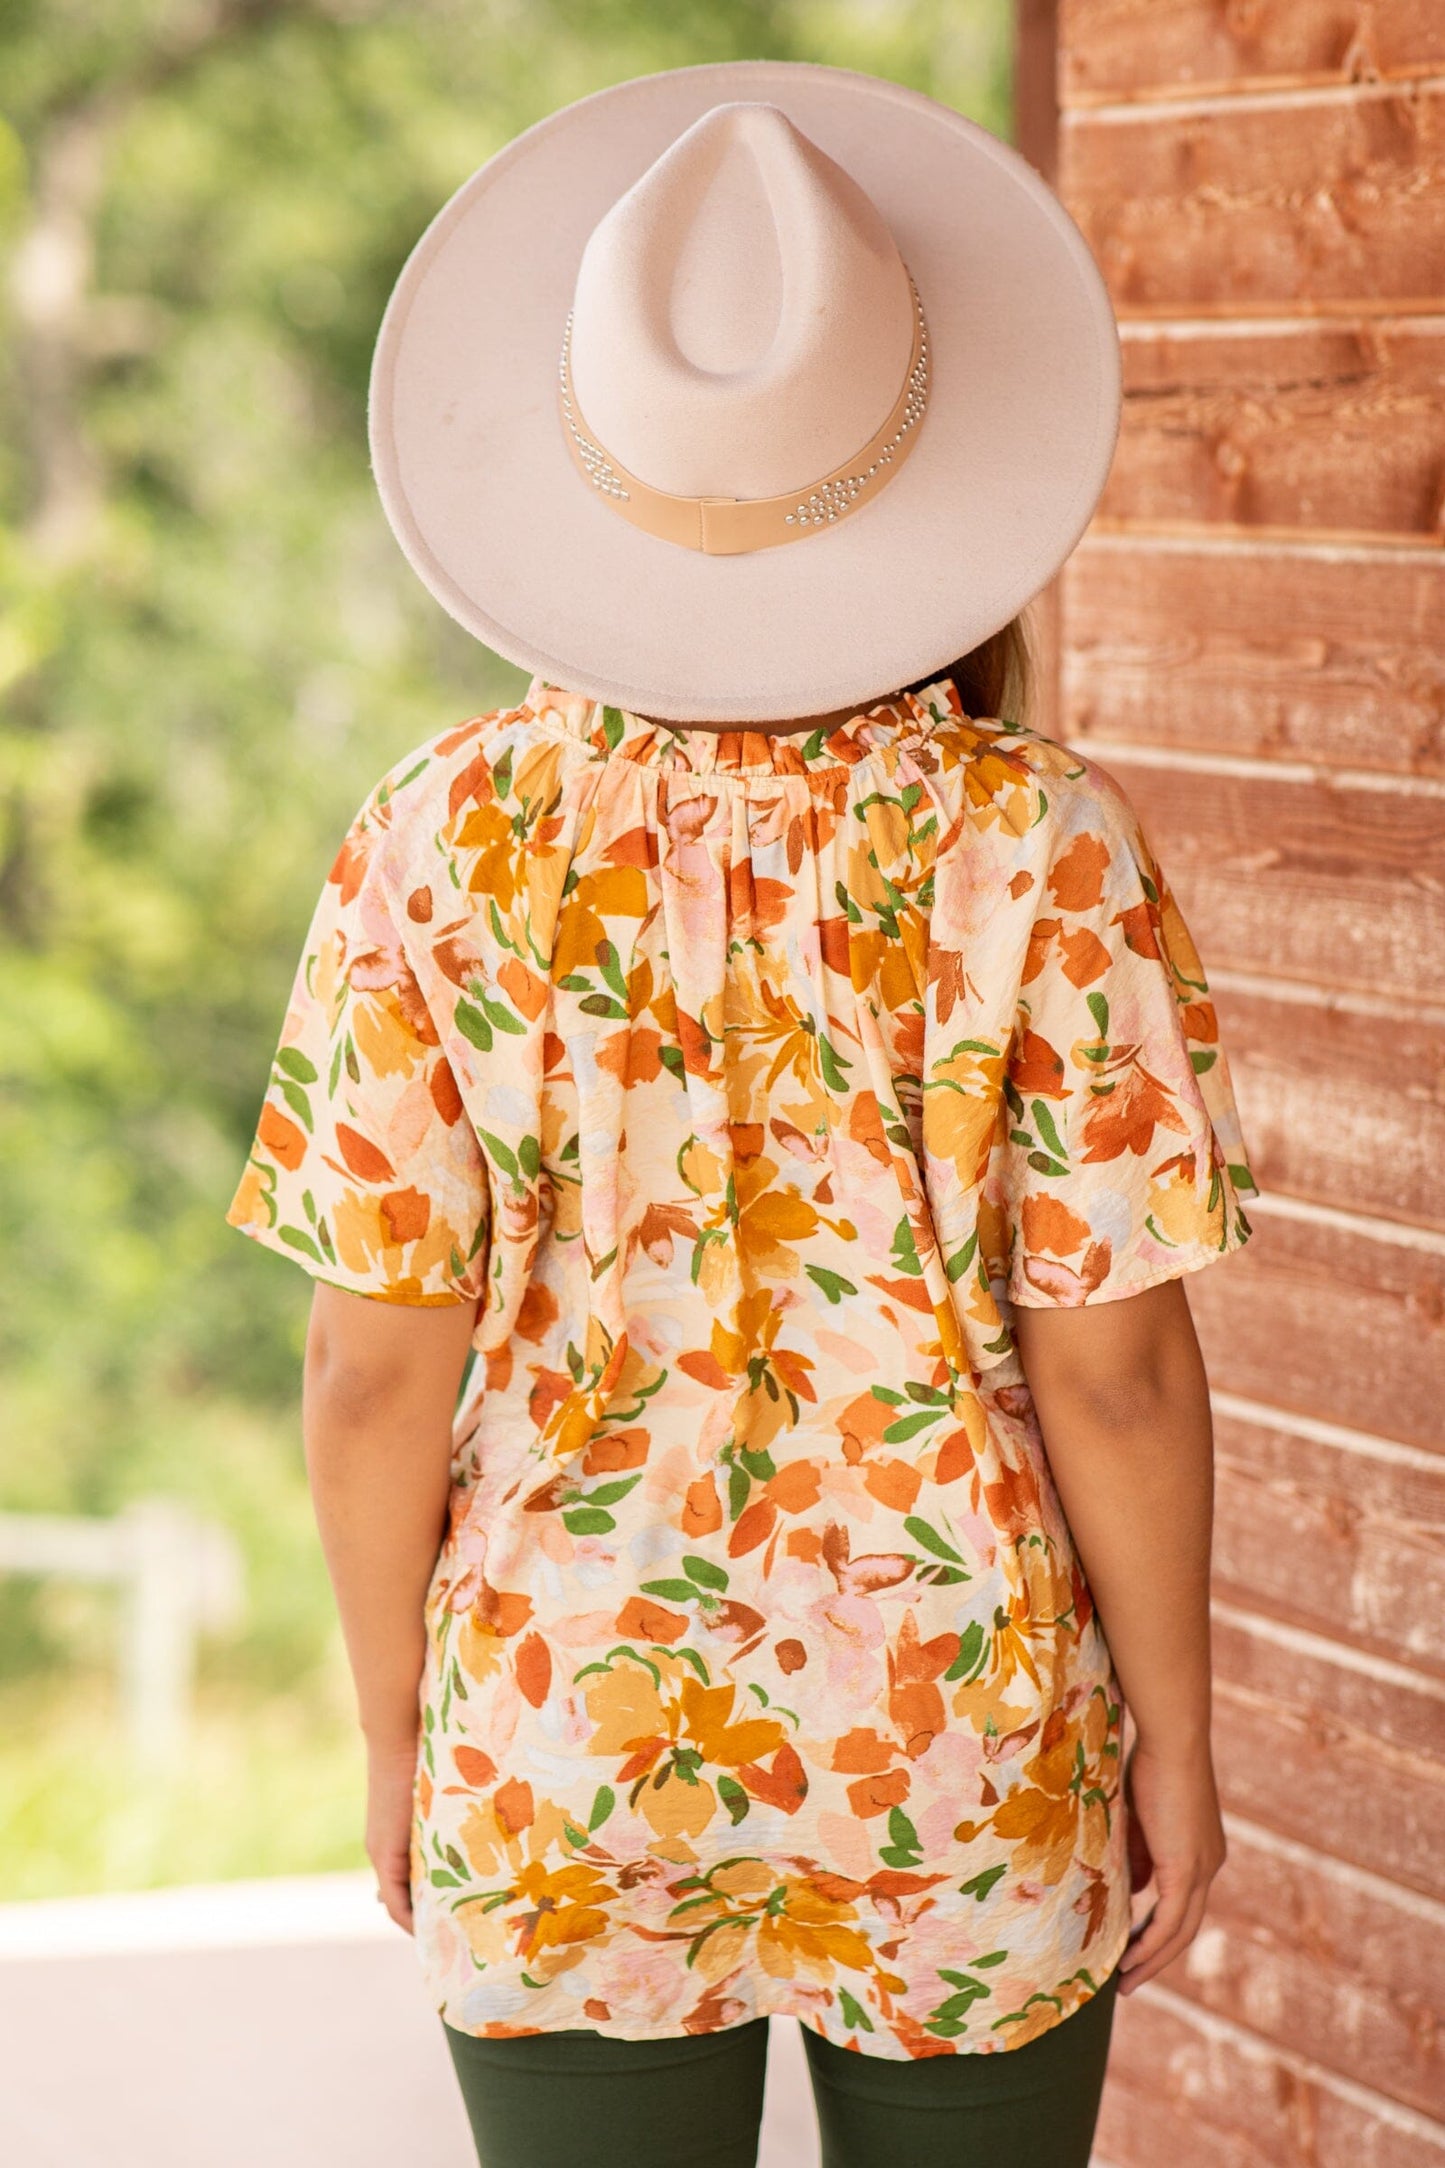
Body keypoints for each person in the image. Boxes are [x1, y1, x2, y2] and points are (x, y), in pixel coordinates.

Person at [227, 62, 1258, 2168]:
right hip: (963, 1754)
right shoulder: (1043, 844)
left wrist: (393, 1725)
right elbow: (1124, 1371)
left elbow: (364, 1367)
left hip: (564, 1736)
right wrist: (1181, 1735)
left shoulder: (437, 846)